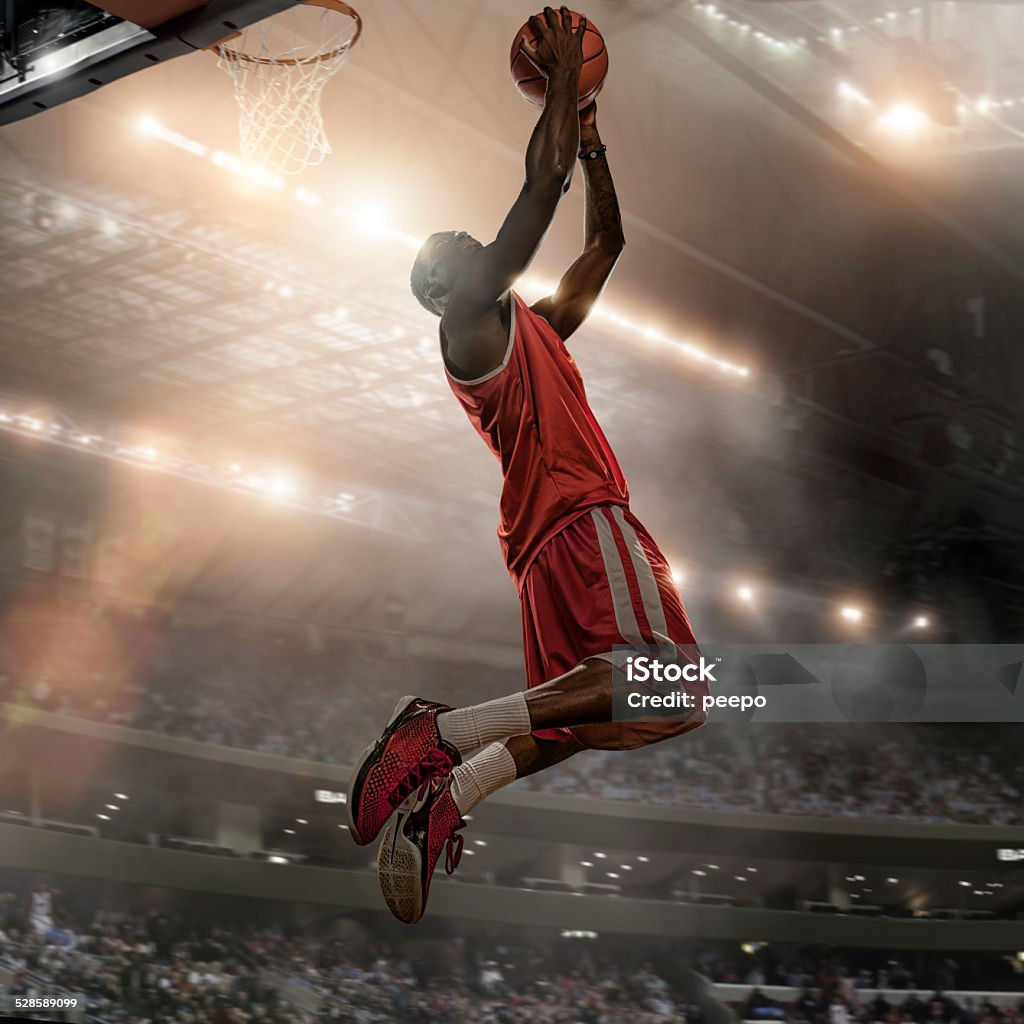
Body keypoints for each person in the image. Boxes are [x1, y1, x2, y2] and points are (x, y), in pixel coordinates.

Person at [347, 5, 707, 924]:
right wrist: (555, 88)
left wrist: (588, 138)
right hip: (583, 516)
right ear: (438, 290)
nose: (464, 241)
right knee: (676, 678)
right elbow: (535, 195)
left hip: (547, 543)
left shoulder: (530, 327)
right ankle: (441, 731)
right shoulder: (465, 317)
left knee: (590, 714)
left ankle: (450, 797)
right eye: (448, 250)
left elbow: (604, 247)